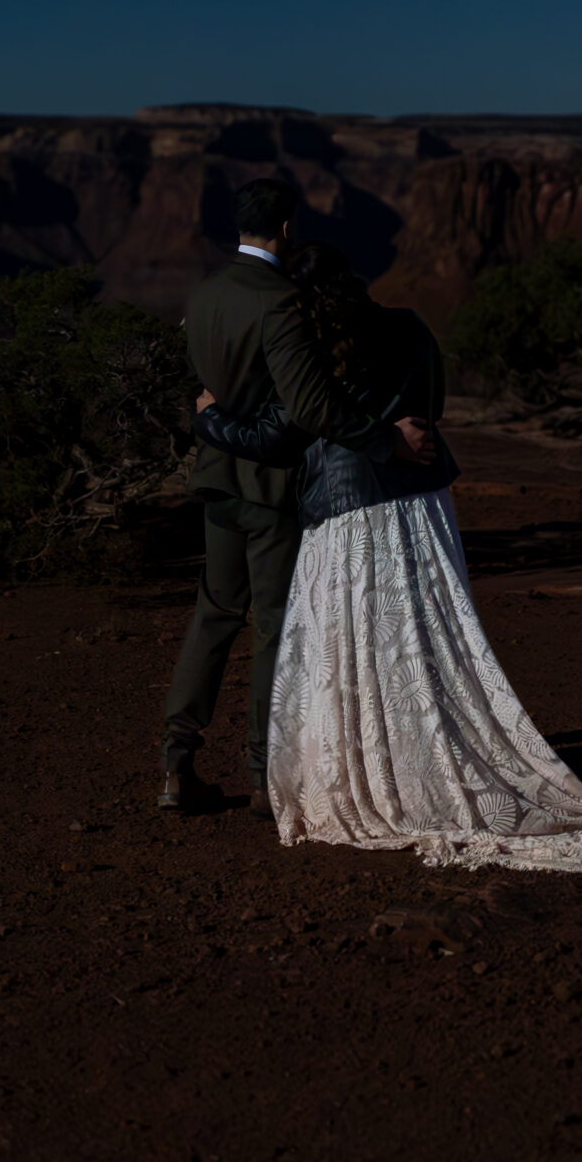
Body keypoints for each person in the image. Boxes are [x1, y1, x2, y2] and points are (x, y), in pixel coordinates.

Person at [194, 243, 582, 875]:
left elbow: (278, 435)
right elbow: (430, 406)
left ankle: (382, 766)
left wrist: (211, 419)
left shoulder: (307, 350)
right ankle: (426, 749)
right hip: (424, 504)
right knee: (424, 638)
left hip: (350, 510)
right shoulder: (408, 327)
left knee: (357, 644)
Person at [161, 179, 434, 816]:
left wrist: (209, 420)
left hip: (217, 477)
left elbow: (204, 383)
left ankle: (176, 762)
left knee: (214, 614)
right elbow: (310, 406)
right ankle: (265, 777)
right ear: (285, 228)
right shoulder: (281, 301)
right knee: (274, 627)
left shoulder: (203, 292)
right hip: (272, 486)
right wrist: (385, 443)